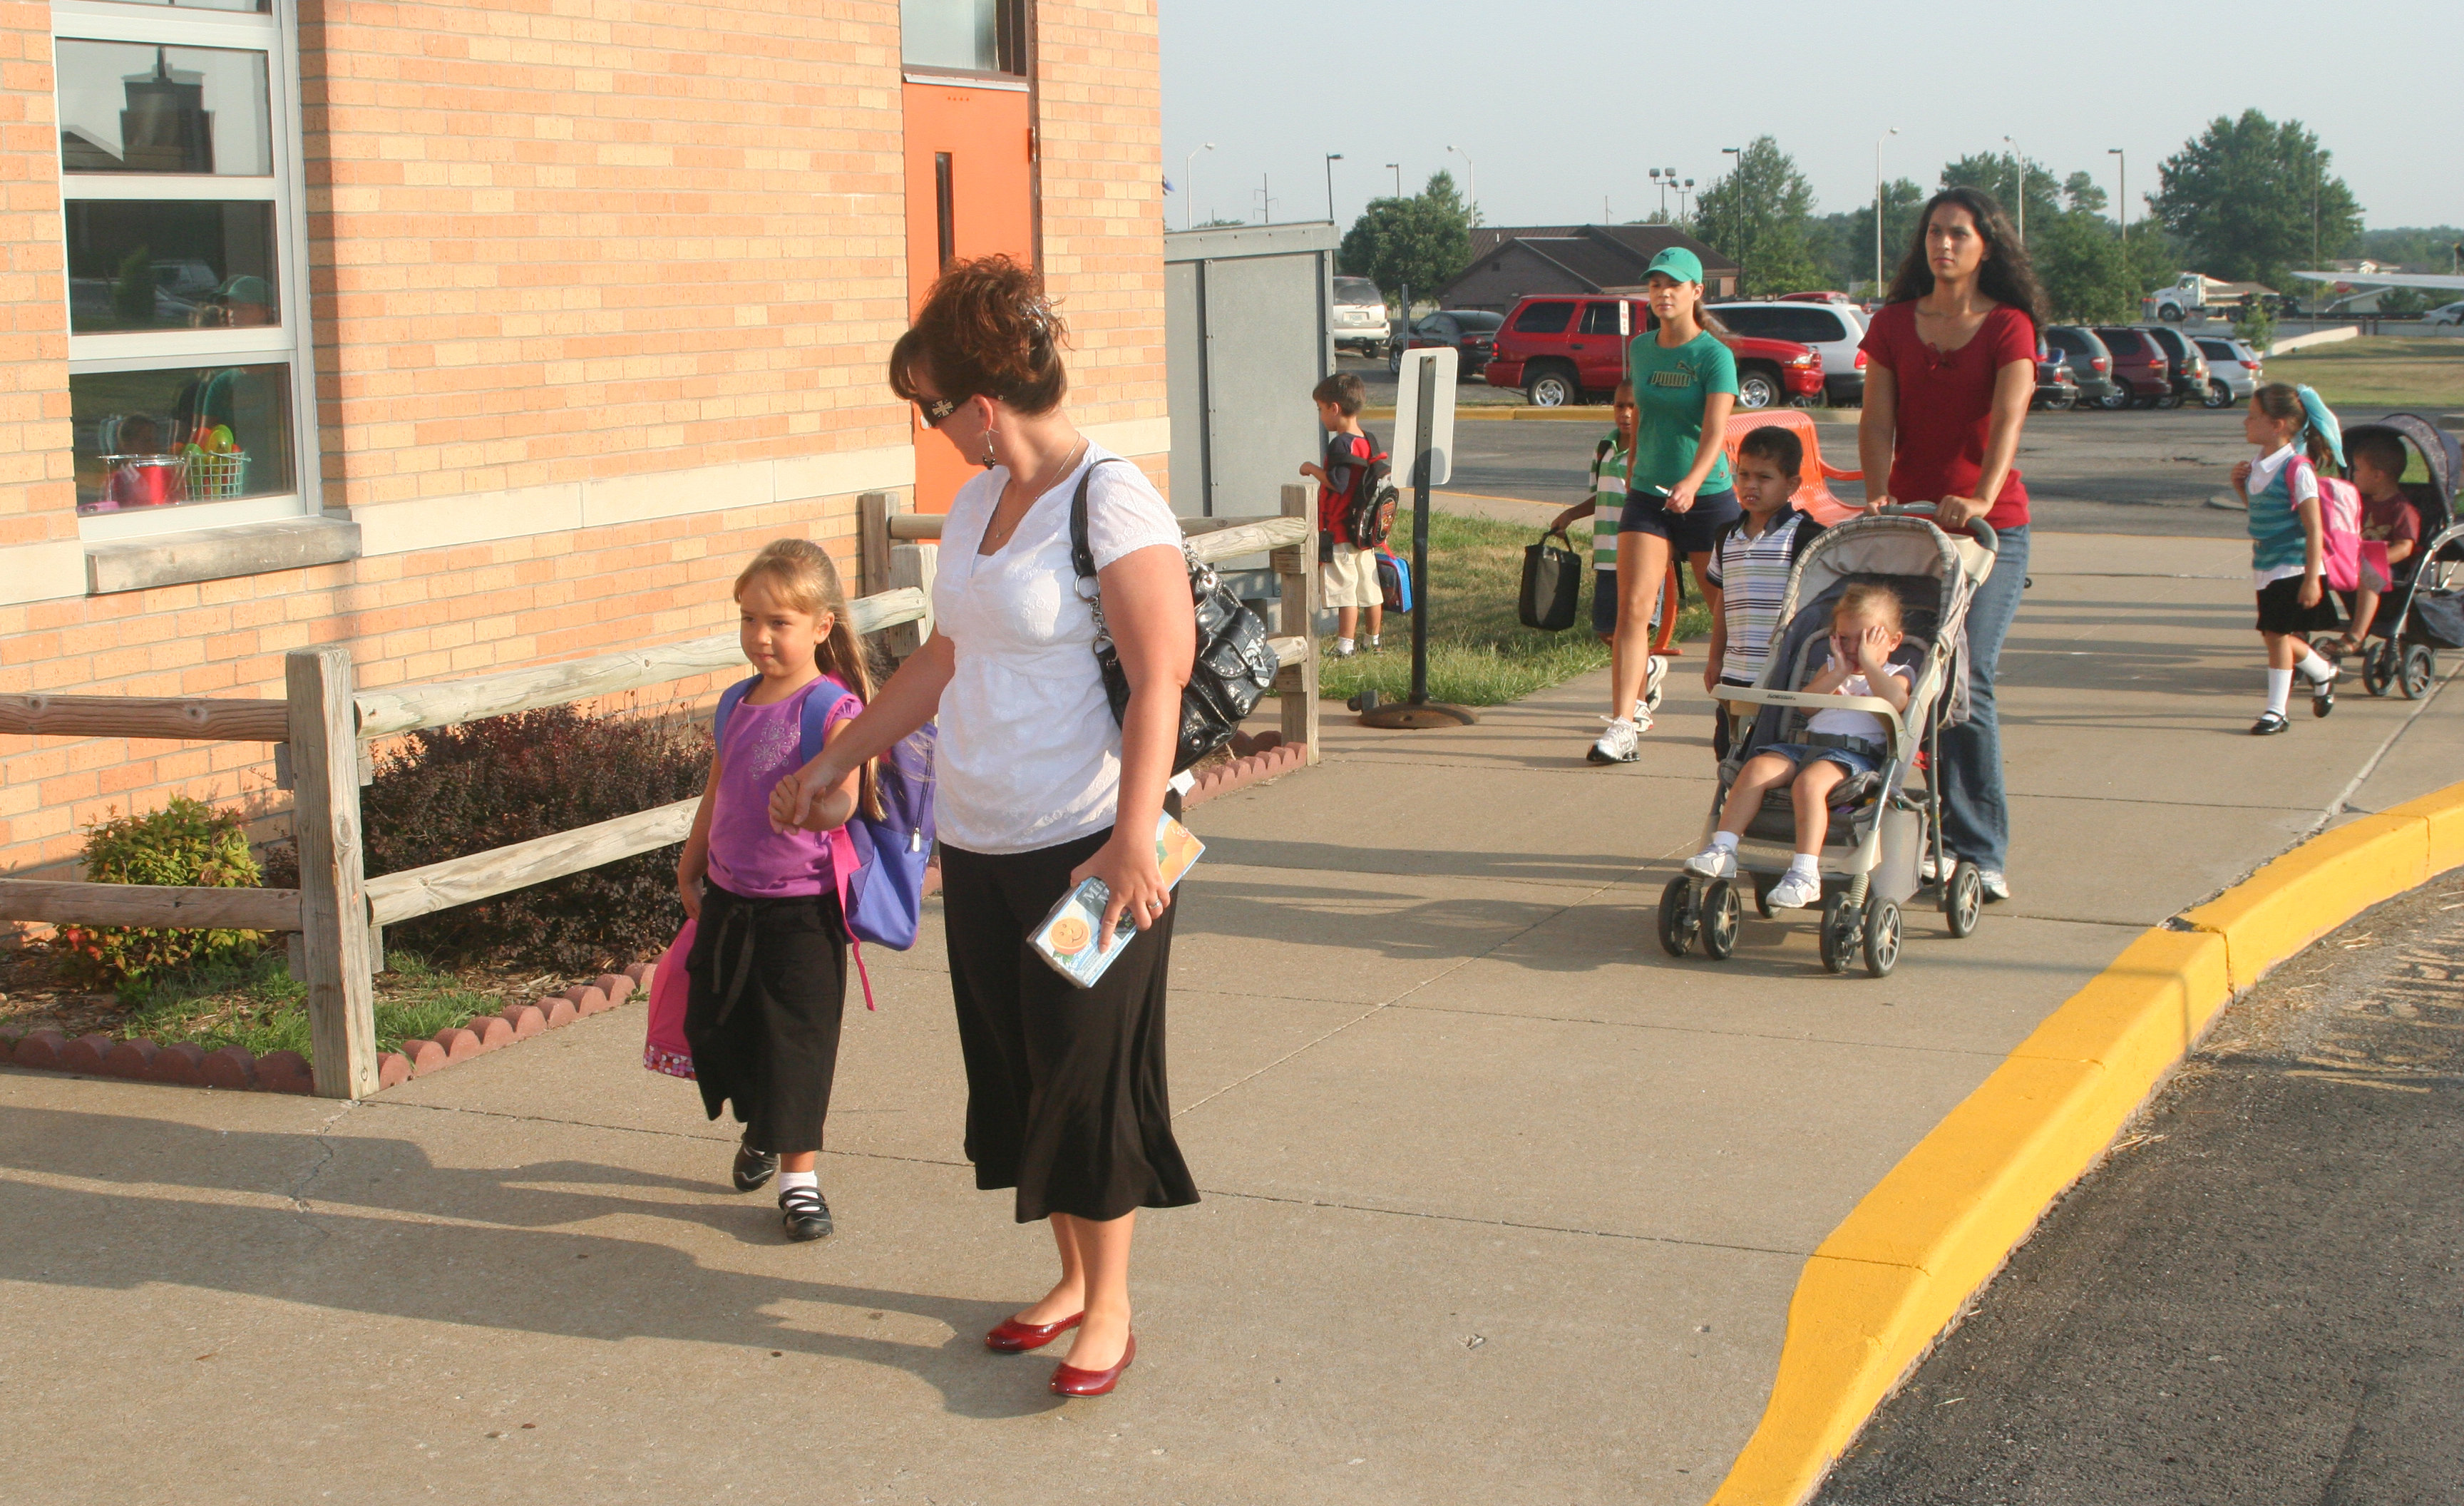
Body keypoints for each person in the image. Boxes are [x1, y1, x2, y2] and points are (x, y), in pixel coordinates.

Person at [772, 255, 1196, 1399]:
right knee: (1018, 1069)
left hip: (1094, 847)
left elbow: (1163, 674)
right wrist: (836, 759)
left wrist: (1132, 836)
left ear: (981, 400)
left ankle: (1108, 1309)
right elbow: (947, 658)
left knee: (1087, 1067)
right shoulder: (972, 506)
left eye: (929, 406)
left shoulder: (1110, 496)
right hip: (985, 837)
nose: (931, 429)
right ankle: (1066, 1280)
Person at [672, 539, 873, 1242]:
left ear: (821, 626)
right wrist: (690, 862)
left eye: (778, 623)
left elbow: (845, 801)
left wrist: (810, 808)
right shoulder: (735, 703)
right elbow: (719, 788)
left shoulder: (832, 707)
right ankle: (761, 1126)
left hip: (805, 911)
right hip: (730, 902)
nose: (759, 637)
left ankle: (799, 1180)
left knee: (799, 1044)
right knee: (718, 1031)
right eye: (749, 619)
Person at [1858, 185, 2040, 903]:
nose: (1944, 246)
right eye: (1935, 233)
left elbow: (2008, 418)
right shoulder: (1895, 323)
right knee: (1909, 681)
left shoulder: (2009, 327)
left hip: (1991, 531)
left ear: (1985, 245)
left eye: (1959, 235)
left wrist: (1985, 497)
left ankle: (1980, 847)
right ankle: (1915, 833)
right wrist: (1877, 492)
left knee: (1969, 678)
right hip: (1912, 524)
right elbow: (1877, 419)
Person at [1590, 248, 1737, 764]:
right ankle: (1624, 724)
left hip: (1707, 496)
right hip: (1648, 497)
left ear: (1697, 291)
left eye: (1674, 284)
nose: (1663, 293)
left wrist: (1694, 483)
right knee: (1632, 610)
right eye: (1655, 285)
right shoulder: (1643, 349)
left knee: (1726, 612)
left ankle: (1743, 712)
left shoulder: (1714, 356)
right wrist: (1634, 479)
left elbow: (1716, 431)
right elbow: (1645, 422)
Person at [1685, 583, 1911, 908]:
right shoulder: (1832, 669)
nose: (1852, 648)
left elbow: (1897, 701)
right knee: (1755, 769)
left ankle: (1805, 873)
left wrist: (1870, 664)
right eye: (1844, 638)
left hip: (1852, 756)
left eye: (1864, 640)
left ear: (1893, 641)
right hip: (1803, 746)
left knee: (1809, 783)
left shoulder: (1896, 674)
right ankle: (1723, 847)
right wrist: (1840, 672)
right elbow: (1807, 708)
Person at [2229, 384, 2342, 733]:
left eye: (2254, 416)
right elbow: (2263, 517)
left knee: (2276, 635)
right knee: (2272, 634)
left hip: (2292, 563)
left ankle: (2276, 711)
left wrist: (2311, 578)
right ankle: (2323, 671)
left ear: (2278, 424)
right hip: (2266, 563)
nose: (2246, 421)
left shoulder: (2298, 469)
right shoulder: (2258, 466)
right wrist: (2240, 489)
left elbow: (2314, 528)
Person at [1703, 426, 1822, 758]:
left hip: (1785, 677)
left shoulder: (1806, 538)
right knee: (1730, 753)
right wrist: (1715, 659)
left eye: (1764, 477)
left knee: (1776, 754)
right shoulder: (1727, 535)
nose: (1751, 485)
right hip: (1736, 674)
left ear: (1792, 484)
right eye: (1744, 474)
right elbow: (1723, 601)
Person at [1551, 381, 1662, 710]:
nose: (1625, 414)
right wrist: (1571, 514)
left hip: (1643, 554)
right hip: (1607, 555)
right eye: (1619, 406)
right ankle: (1650, 669)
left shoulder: (1653, 448)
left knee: (1635, 630)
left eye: (1633, 406)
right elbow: (1601, 495)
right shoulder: (1606, 447)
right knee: (1605, 630)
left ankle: (1637, 705)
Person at [1300, 372, 1381, 656]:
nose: (1321, 416)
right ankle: (1373, 641)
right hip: (1365, 528)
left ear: (1335, 408)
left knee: (1346, 590)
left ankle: (1345, 647)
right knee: (1370, 590)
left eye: (1321, 409)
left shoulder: (1342, 444)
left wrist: (1311, 468)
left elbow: (1338, 483)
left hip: (1341, 528)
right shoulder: (1368, 440)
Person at [2338, 430, 2421, 650]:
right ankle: (2302, 624)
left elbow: (2405, 548)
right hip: (2357, 559)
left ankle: (2357, 635)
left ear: (2378, 475)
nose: (2352, 474)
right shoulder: (2360, 502)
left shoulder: (2402, 509)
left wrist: (2375, 559)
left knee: (2369, 571)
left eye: (2357, 469)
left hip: (2392, 568)